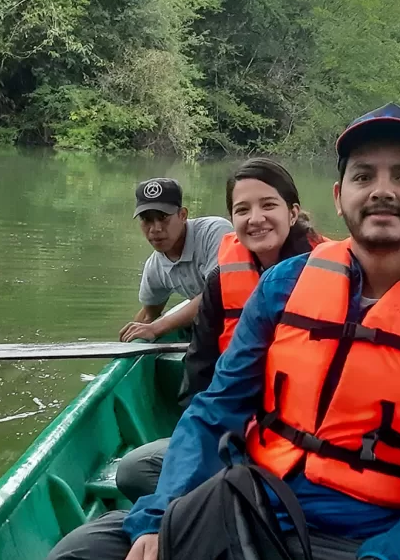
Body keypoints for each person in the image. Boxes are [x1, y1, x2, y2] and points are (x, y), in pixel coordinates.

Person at [43, 103, 400, 560]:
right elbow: (215, 409)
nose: (381, 190)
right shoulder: (282, 287)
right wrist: (159, 519)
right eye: (362, 176)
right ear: (339, 196)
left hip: (367, 538)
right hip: (251, 503)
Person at [115, 158, 323, 502]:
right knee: (136, 470)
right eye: (242, 209)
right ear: (234, 219)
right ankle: (227, 500)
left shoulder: (332, 276)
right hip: (238, 435)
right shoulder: (222, 280)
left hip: (306, 445)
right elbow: (199, 372)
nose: (255, 219)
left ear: (292, 212)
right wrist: (199, 441)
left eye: (268, 205)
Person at [119, 177, 232, 343]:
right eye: (147, 219)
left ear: (182, 215)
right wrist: (127, 341)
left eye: (163, 217)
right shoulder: (155, 267)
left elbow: (217, 294)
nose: (155, 229)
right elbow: (149, 315)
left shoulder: (214, 232)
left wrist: (157, 328)